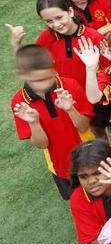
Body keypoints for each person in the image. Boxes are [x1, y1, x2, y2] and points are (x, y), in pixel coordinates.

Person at [11, 45, 94, 199]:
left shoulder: (70, 86)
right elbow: (42, 144)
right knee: (79, 201)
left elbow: (84, 126)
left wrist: (70, 110)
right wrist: (34, 123)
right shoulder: (19, 102)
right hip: (60, 167)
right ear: (23, 75)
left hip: (90, 155)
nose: (46, 83)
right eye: (38, 80)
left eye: (49, 76)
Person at [7, 0, 106, 87]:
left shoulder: (94, 37)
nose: (56, 24)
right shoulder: (45, 38)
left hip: (94, 99)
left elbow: (108, 71)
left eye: (59, 17)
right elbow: (32, 66)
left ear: (70, 12)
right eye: (49, 21)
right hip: (63, 99)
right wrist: (16, 44)